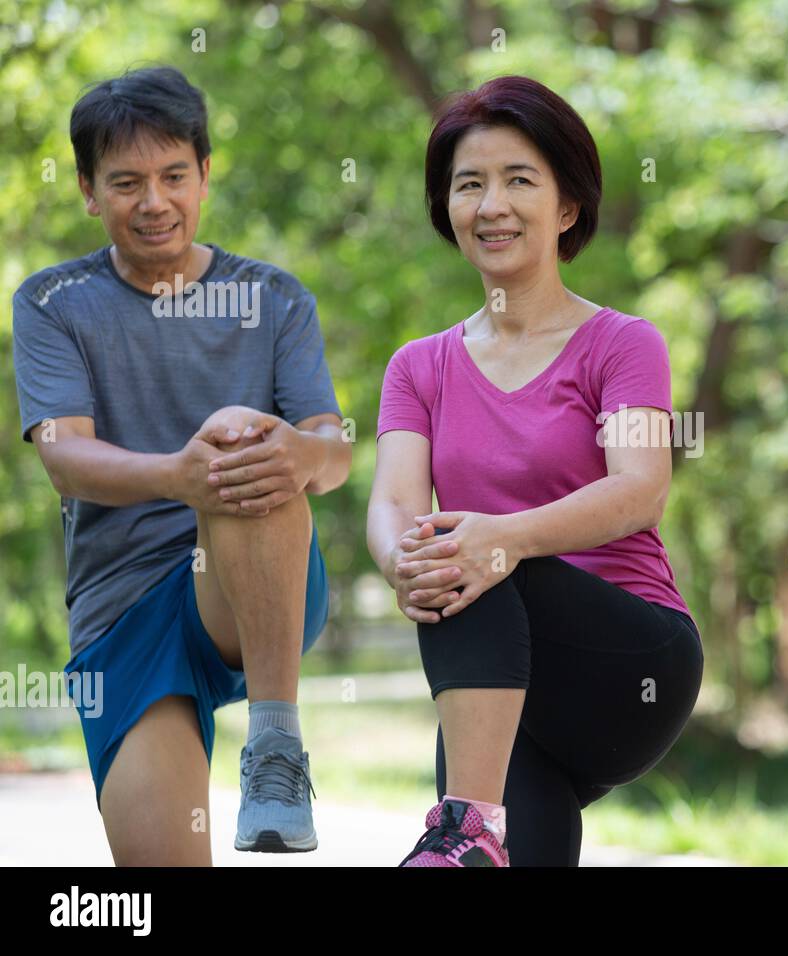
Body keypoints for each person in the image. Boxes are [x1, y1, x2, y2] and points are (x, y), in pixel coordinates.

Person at [12, 67, 351, 864]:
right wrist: (178, 475)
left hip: (255, 587)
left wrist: (300, 452)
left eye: (173, 176)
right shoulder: (52, 302)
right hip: (124, 604)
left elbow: (331, 451)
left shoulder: (275, 297)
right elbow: (64, 454)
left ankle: (277, 751)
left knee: (244, 435)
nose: (153, 201)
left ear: (205, 174)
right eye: (125, 182)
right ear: (90, 192)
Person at [367, 75, 703, 867]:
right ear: (446, 208)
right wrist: (400, 562)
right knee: (489, 850)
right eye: (469, 184)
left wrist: (501, 540)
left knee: (465, 553)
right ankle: (472, 828)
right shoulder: (418, 367)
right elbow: (392, 501)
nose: (492, 206)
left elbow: (640, 491)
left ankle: (467, 824)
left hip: (629, 660)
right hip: (502, 680)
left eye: (520, 180)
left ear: (567, 207)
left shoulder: (622, 344)